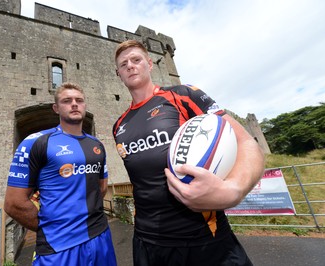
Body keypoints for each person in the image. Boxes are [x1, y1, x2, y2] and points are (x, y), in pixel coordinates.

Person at [112, 40, 265, 266]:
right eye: (123, 64)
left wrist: (233, 190)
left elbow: (246, 144)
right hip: (148, 243)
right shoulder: (119, 126)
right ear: (118, 74)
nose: (130, 66)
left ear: (149, 64)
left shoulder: (183, 95)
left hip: (205, 239)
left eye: (136, 60)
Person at [4, 82, 117, 266]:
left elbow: (101, 188)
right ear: (56, 108)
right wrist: (51, 229)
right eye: (67, 100)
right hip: (59, 248)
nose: (74, 104)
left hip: (100, 237)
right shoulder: (35, 142)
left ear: (85, 105)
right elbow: (13, 203)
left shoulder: (96, 145)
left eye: (79, 100)